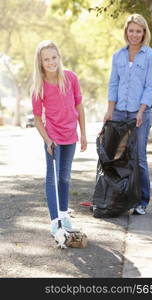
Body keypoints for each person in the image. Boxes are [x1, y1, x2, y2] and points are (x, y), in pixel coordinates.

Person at [31, 40, 87, 237]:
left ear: (59, 57)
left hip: (70, 136)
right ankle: (54, 220)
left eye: (54, 57)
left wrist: (84, 135)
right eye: (46, 59)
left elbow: (79, 107)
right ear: (41, 62)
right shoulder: (39, 86)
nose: (51, 62)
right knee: (52, 178)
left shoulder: (71, 78)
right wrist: (47, 140)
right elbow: (38, 119)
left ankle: (64, 215)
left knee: (64, 177)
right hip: (53, 138)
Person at [104, 14, 152, 215]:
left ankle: (142, 201)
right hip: (119, 112)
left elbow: (150, 86)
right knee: (115, 155)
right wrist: (110, 111)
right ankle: (117, 196)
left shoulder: (150, 55)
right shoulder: (118, 55)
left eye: (138, 31)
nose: (134, 34)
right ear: (126, 32)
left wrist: (141, 111)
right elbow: (113, 84)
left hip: (139, 113)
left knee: (139, 157)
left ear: (144, 33)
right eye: (131, 30)